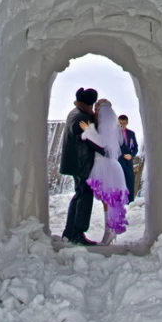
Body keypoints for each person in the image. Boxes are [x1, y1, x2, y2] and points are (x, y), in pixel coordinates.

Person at [80, 99, 129, 245]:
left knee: (108, 200)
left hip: (106, 166)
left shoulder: (105, 126)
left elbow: (102, 143)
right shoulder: (110, 126)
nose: (95, 110)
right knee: (107, 201)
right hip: (107, 166)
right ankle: (110, 230)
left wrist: (88, 132)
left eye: (97, 108)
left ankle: (110, 231)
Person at [60, 87, 103, 245]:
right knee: (84, 197)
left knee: (79, 195)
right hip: (81, 163)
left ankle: (69, 233)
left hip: (76, 163)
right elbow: (89, 137)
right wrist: (106, 150)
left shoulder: (75, 112)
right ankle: (77, 234)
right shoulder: (81, 117)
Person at [117, 114, 139, 203]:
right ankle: (119, 201)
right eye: (120, 123)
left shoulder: (131, 134)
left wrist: (131, 155)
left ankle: (130, 202)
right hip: (119, 162)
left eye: (124, 123)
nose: (122, 125)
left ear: (127, 123)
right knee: (119, 182)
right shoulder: (114, 134)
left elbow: (135, 147)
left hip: (129, 163)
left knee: (130, 182)